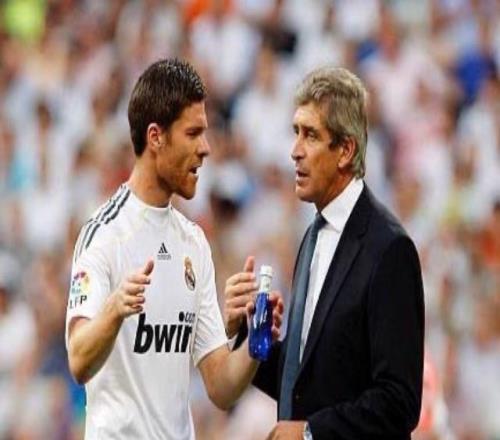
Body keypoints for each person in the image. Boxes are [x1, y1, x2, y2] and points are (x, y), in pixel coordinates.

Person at [65, 58, 283, 439]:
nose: (206, 148)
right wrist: (114, 309)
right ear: (156, 137)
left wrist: (255, 340)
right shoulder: (105, 234)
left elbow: (220, 386)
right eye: (193, 133)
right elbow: (78, 360)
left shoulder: (193, 242)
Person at [226, 67, 425, 439]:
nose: (295, 151)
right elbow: (302, 381)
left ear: (345, 150)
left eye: (311, 135)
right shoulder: (313, 236)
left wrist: (310, 433)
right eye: (296, 132)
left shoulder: (390, 248)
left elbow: (399, 401)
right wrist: (244, 333)